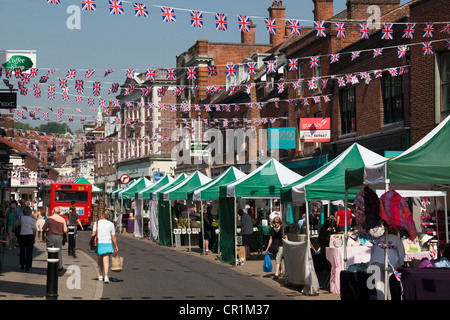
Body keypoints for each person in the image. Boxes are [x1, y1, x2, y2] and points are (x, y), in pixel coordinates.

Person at [368, 222, 405, 300]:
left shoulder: (378, 239)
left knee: (379, 288)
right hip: (390, 263)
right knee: (389, 286)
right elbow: (402, 254)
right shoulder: (397, 239)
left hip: (375, 263)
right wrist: (401, 264)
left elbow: (372, 252)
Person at [91, 210, 119, 283]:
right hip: (107, 243)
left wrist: (92, 242)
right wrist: (116, 246)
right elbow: (113, 236)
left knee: (100, 261)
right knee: (106, 261)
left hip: (99, 244)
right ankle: (106, 276)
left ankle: (100, 276)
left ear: (102, 215)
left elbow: (93, 233)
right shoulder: (111, 224)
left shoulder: (96, 223)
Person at [42, 207, 67, 271]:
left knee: (50, 251)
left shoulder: (49, 219)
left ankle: (50, 265)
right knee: (59, 251)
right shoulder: (62, 219)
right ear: (59, 212)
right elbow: (65, 230)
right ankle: (60, 266)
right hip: (59, 237)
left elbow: (44, 228)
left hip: (50, 236)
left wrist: (44, 236)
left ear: (53, 211)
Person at [18, 206, 36, 271]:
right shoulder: (31, 219)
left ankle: (22, 264)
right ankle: (28, 265)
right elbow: (34, 229)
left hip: (22, 235)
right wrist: (34, 237)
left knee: (22, 250)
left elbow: (18, 224)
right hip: (30, 235)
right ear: (30, 212)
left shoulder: (21, 218)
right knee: (29, 251)